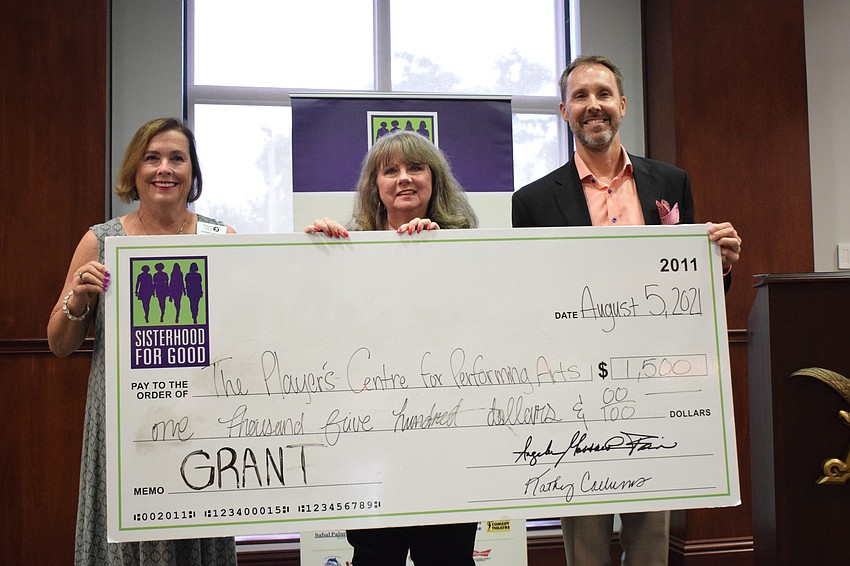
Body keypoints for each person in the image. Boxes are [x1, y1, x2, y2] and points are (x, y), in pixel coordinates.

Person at [511, 55, 742, 566]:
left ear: (622, 104)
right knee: (586, 542)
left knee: (650, 541)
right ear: (564, 111)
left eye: (602, 94)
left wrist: (718, 269)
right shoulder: (531, 202)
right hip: (572, 392)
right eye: (580, 96)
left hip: (655, 383)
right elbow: (528, 304)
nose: (592, 105)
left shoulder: (670, 183)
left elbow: (689, 297)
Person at [48, 117, 237, 566]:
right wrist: (79, 296)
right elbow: (58, 343)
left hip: (201, 425)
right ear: (134, 169)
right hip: (123, 426)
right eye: (152, 158)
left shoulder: (222, 239)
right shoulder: (101, 241)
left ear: (193, 172)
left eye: (177, 158)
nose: (164, 169)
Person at [305, 130, 479, 566]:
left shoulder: (467, 245)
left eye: (416, 168)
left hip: (448, 436)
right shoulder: (346, 247)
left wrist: (436, 254)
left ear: (434, 179)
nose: (404, 178)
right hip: (370, 437)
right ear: (375, 186)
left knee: (447, 556)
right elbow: (319, 328)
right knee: (374, 555)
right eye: (390, 171)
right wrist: (317, 256)